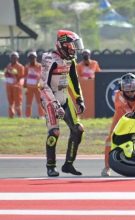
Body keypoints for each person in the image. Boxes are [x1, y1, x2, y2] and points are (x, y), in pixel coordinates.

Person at [40, 30, 86, 177]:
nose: (74, 49)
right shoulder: (49, 59)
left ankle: (68, 164)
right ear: (63, 45)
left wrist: (79, 99)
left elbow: (74, 80)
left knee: (78, 129)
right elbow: (43, 86)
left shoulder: (70, 60)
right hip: (49, 99)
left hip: (64, 98)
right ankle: (50, 166)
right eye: (72, 46)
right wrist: (55, 105)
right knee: (54, 132)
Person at [101, 73, 135, 176]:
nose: (129, 93)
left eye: (132, 90)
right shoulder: (118, 95)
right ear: (122, 88)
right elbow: (125, 112)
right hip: (122, 117)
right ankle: (107, 167)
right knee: (110, 139)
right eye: (127, 91)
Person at [24, 51, 45, 118]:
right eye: (30, 58)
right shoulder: (27, 67)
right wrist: (24, 84)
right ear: (28, 59)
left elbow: (43, 76)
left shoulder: (40, 66)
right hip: (29, 87)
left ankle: (41, 115)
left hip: (37, 87)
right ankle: (28, 116)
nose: (32, 59)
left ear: (36, 58)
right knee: (28, 103)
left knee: (40, 102)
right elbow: (25, 76)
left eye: (33, 57)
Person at [4, 51, 25, 118]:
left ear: (17, 58)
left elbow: (21, 77)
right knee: (10, 102)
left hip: (16, 87)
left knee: (18, 102)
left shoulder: (20, 67)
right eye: (12, 58)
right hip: (9, 86)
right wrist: (6, 73)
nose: (13, 59)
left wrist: (16, 74)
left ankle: (19, 116)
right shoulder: (9, 66)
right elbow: (6, 75)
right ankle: (11, 116)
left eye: (15, 58)